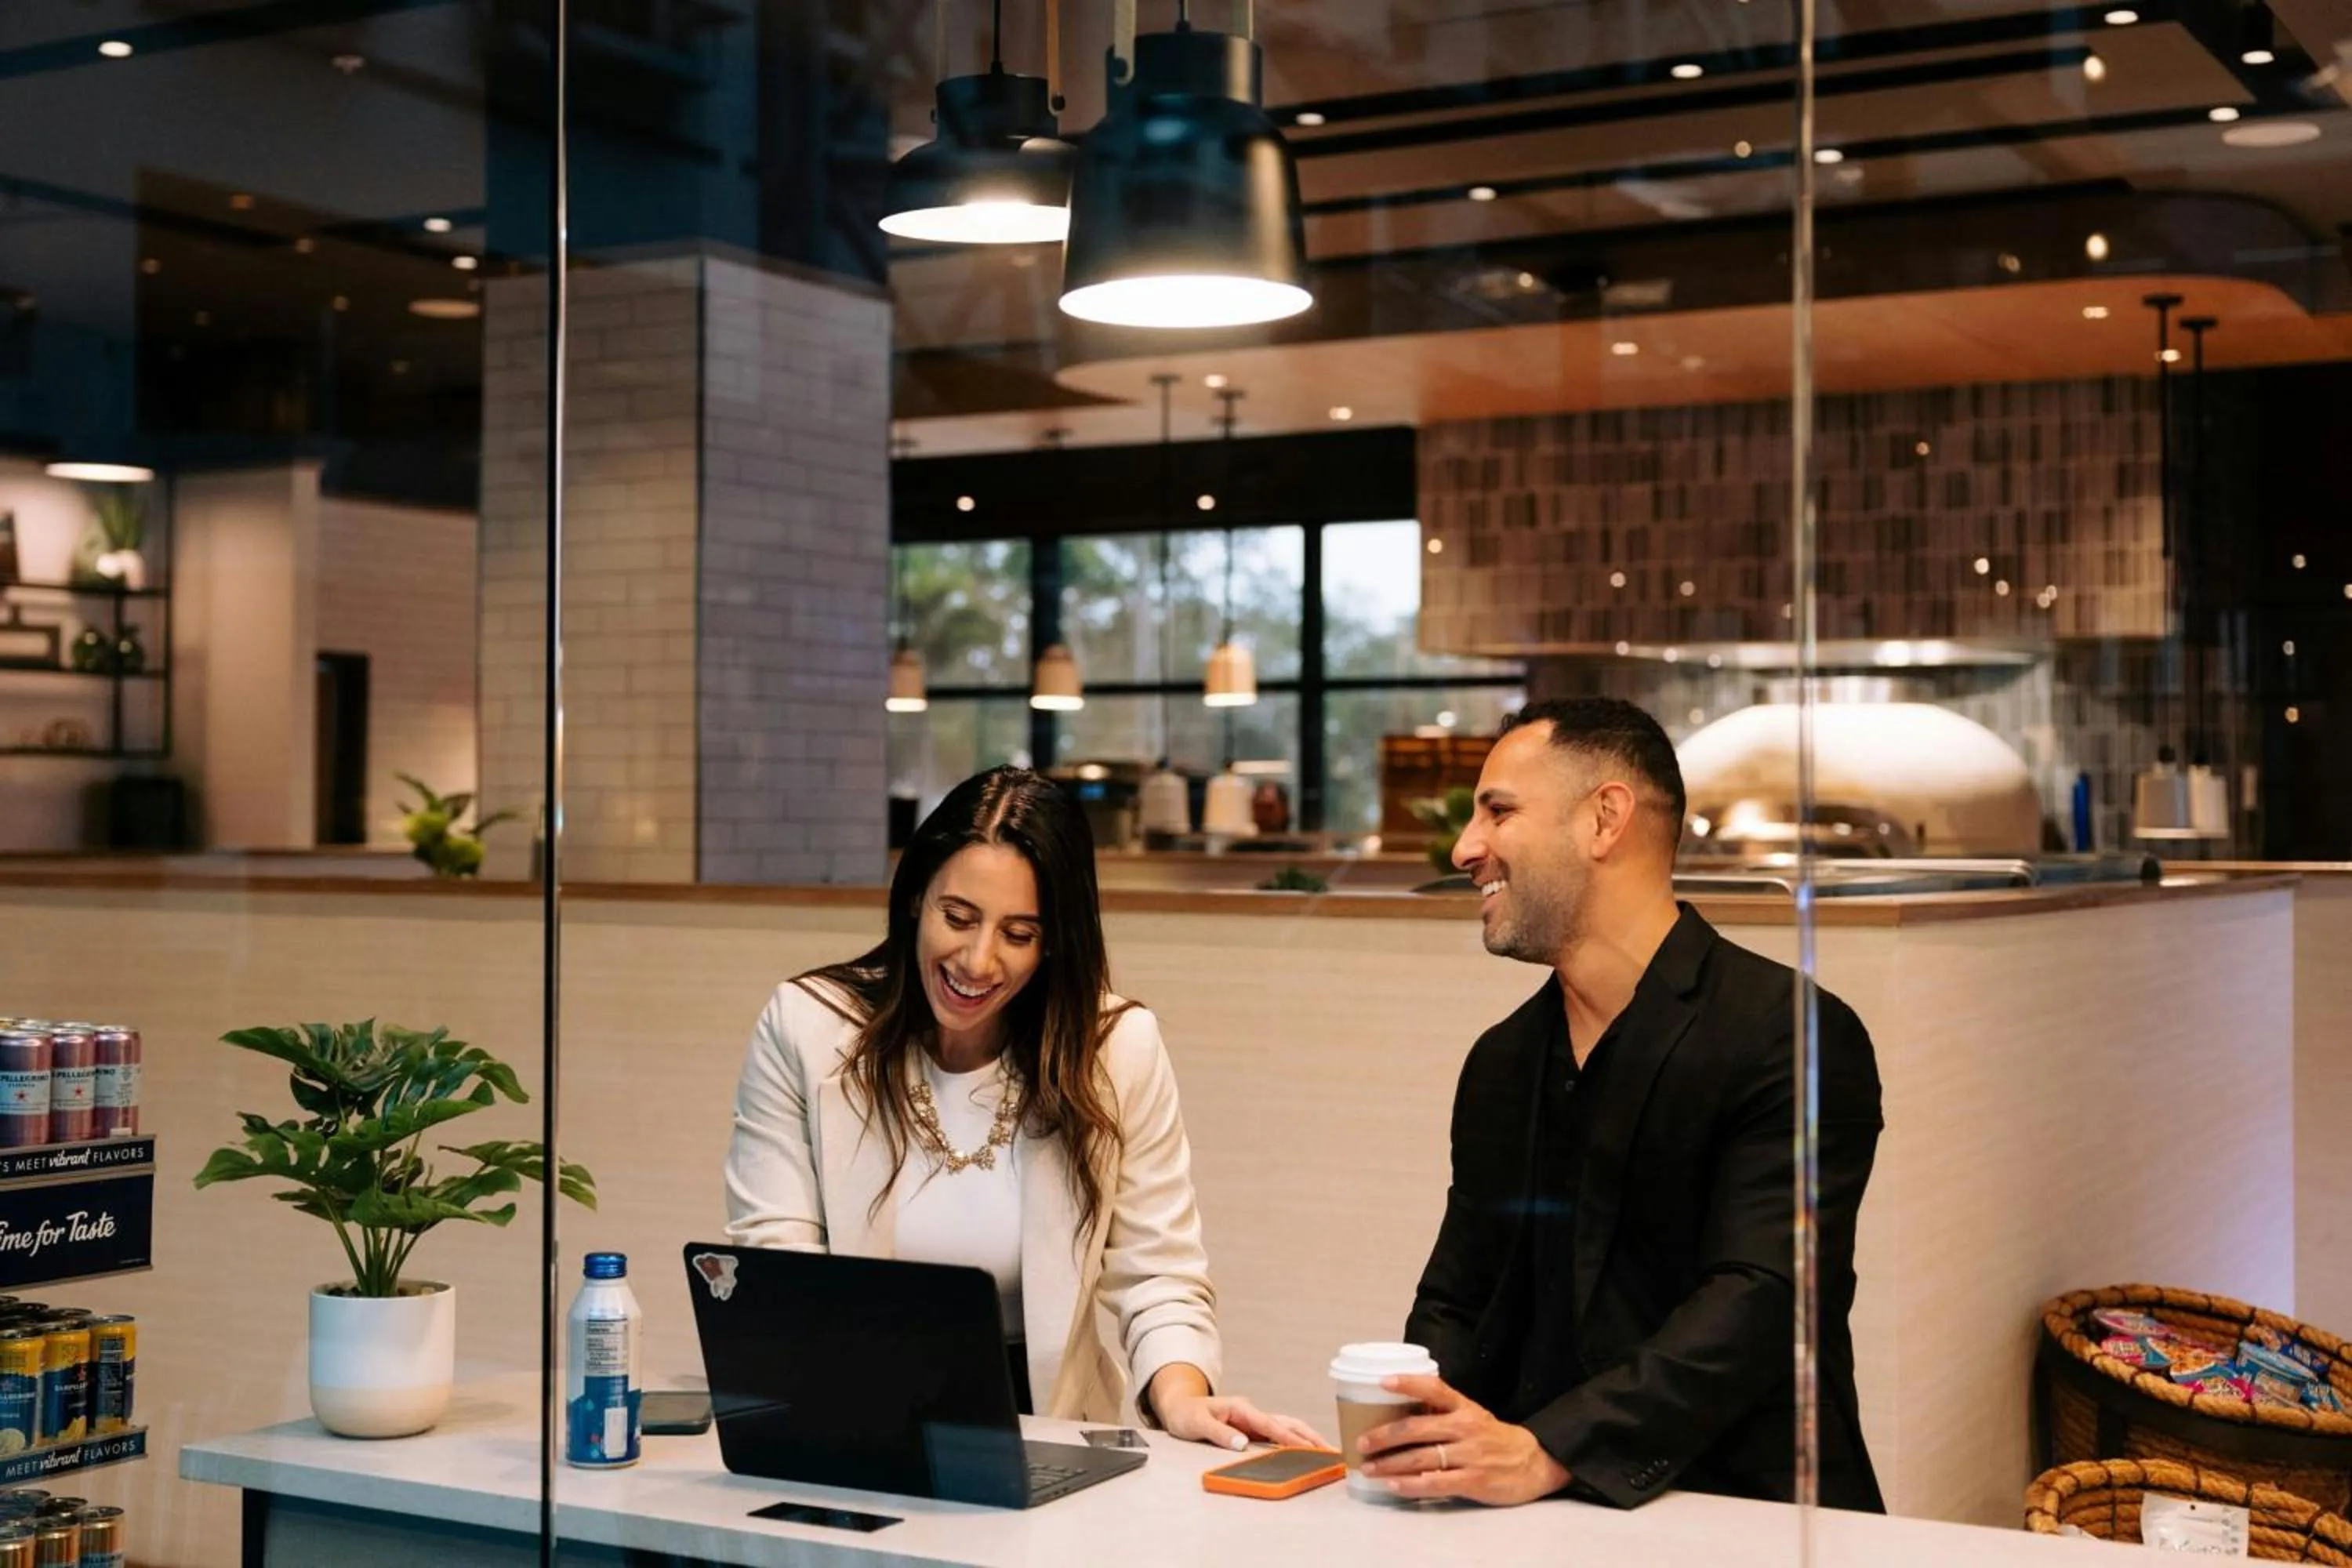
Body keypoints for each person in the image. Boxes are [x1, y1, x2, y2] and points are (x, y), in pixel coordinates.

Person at [1358, 697, 1885, 1511]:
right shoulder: (1502, 1060)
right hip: (1532, 1518)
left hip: (1749, 1509)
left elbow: (1761, 1296)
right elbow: (1458, 1295)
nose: (1466, 847)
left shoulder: (1792, 1034)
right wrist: (1415, 1433)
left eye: (1498, 810)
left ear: (1605, 819)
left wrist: (1549, 1448)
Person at [724, 766, 1320, 1451]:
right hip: (852, 1406)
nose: (977, 960)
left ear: (1054, 940)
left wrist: (1182, 1399)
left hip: (1048, 1433)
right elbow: (780, 1266)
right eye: (959, 917)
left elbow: (1158, 1270)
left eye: (1018, 932)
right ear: (916, 898)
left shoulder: (1114, 1046)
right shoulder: (808, 1028)